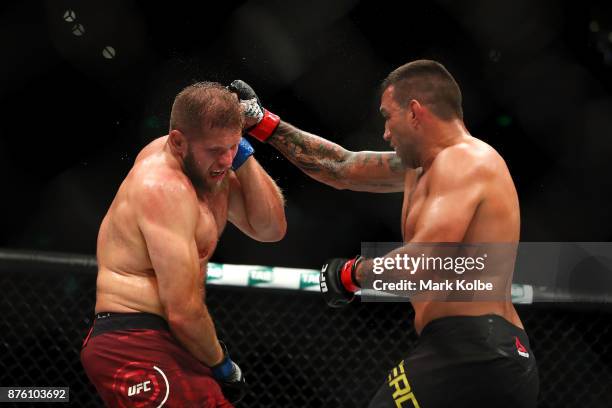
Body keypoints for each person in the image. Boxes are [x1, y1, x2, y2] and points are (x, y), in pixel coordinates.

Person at [230, 60, 538, 407]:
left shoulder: (464, 161)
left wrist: (353, 274)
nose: (386, 133)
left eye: (387, 117)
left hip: (473, 351)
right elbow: (341, 167)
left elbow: (423, 258)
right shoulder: (422, 168)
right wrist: (263, 123)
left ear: (414, 112)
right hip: (487, 352)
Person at [81, 82, 287, 407]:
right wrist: (224, 366)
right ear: (178, 141)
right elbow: (183, 311)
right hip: (132, 339)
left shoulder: (211, 173)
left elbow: (271, 228)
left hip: (173, 342)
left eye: (232, 146)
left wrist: (244, 154)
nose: (225, 159)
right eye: (215, 149)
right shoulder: (162, 186)